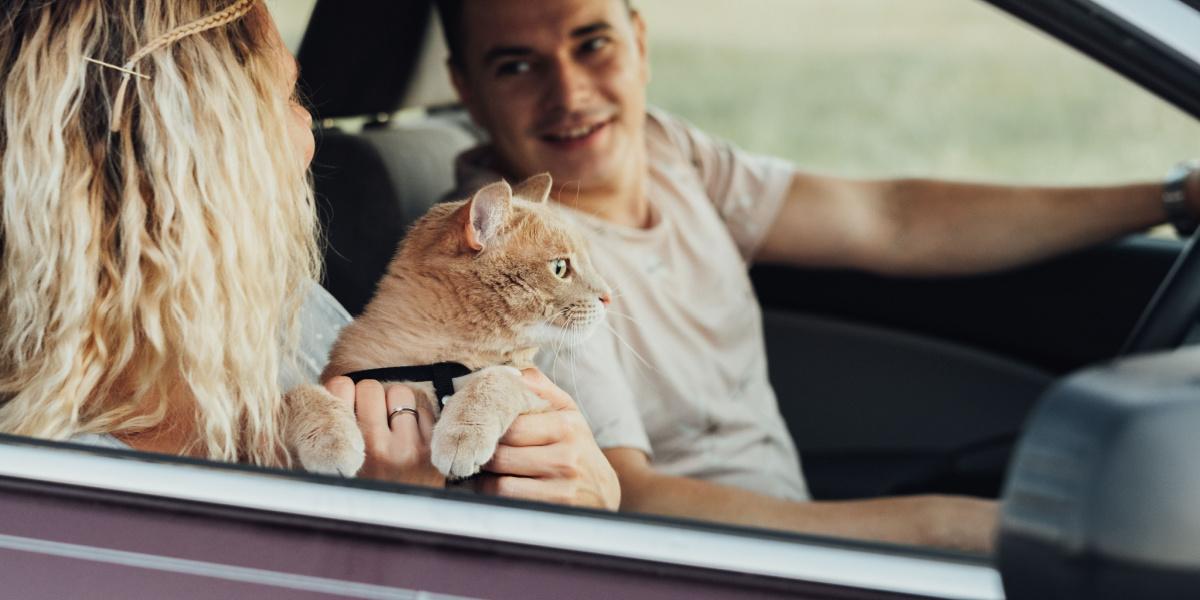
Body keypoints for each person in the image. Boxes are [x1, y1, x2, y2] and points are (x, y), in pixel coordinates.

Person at [435, 0, 1200, 551]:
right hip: (721, 568)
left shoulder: (667, 152)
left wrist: (1170, 199)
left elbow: (891, 219)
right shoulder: (511, 265)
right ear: (466, 87)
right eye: (517, 65)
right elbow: (626, 497)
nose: (569, 93)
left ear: (639, 39)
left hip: (789, 524)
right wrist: (932, 532)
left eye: (591, 42)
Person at [0, 0, 617, 511]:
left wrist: (589, 495)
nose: (307, 139)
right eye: (290, 98)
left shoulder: (291, 311)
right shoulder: (62, 477)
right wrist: (404, 508)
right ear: (197, 154)